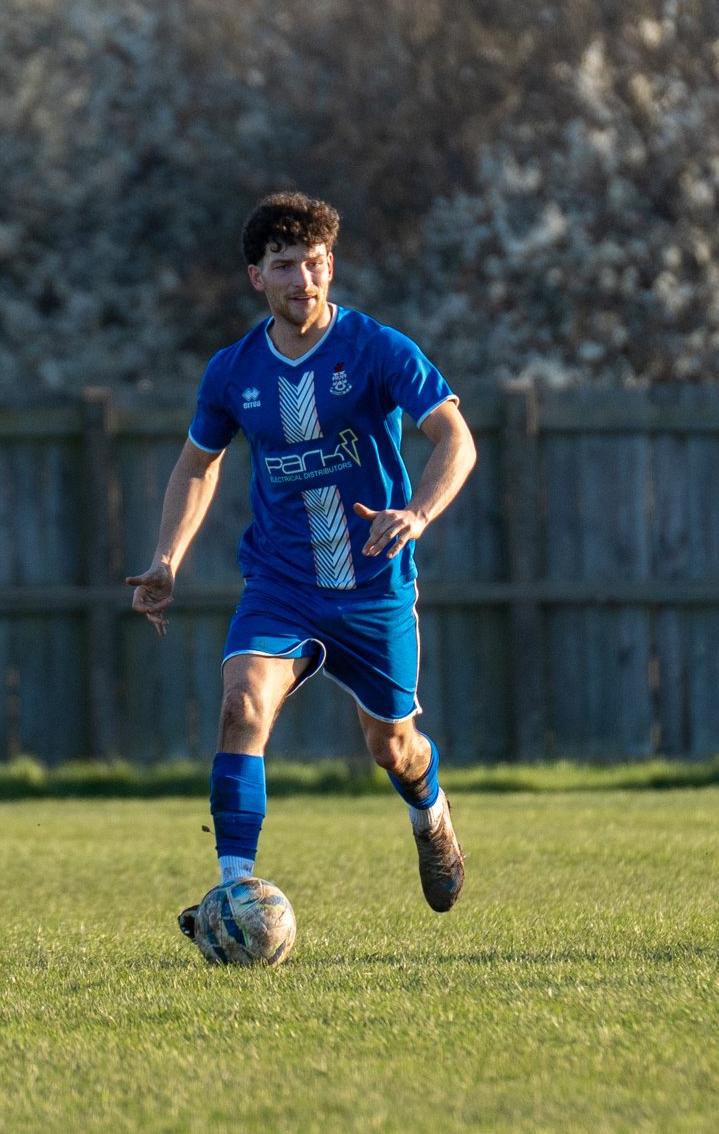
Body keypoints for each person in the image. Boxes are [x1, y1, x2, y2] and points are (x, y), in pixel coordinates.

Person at [124, 191, 478, 942]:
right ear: (257, 276)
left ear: (331, 266)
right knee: (241, 706)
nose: (303, 279)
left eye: (315, 263)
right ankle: (232, 893)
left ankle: (431, 813)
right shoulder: (234, 371)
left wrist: (417, 513)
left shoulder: (379, 348)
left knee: (391, 748)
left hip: (374, 585)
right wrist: (166, 559)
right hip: (281, 584)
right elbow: (198, 464)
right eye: (285, 266)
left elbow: (456, 437)